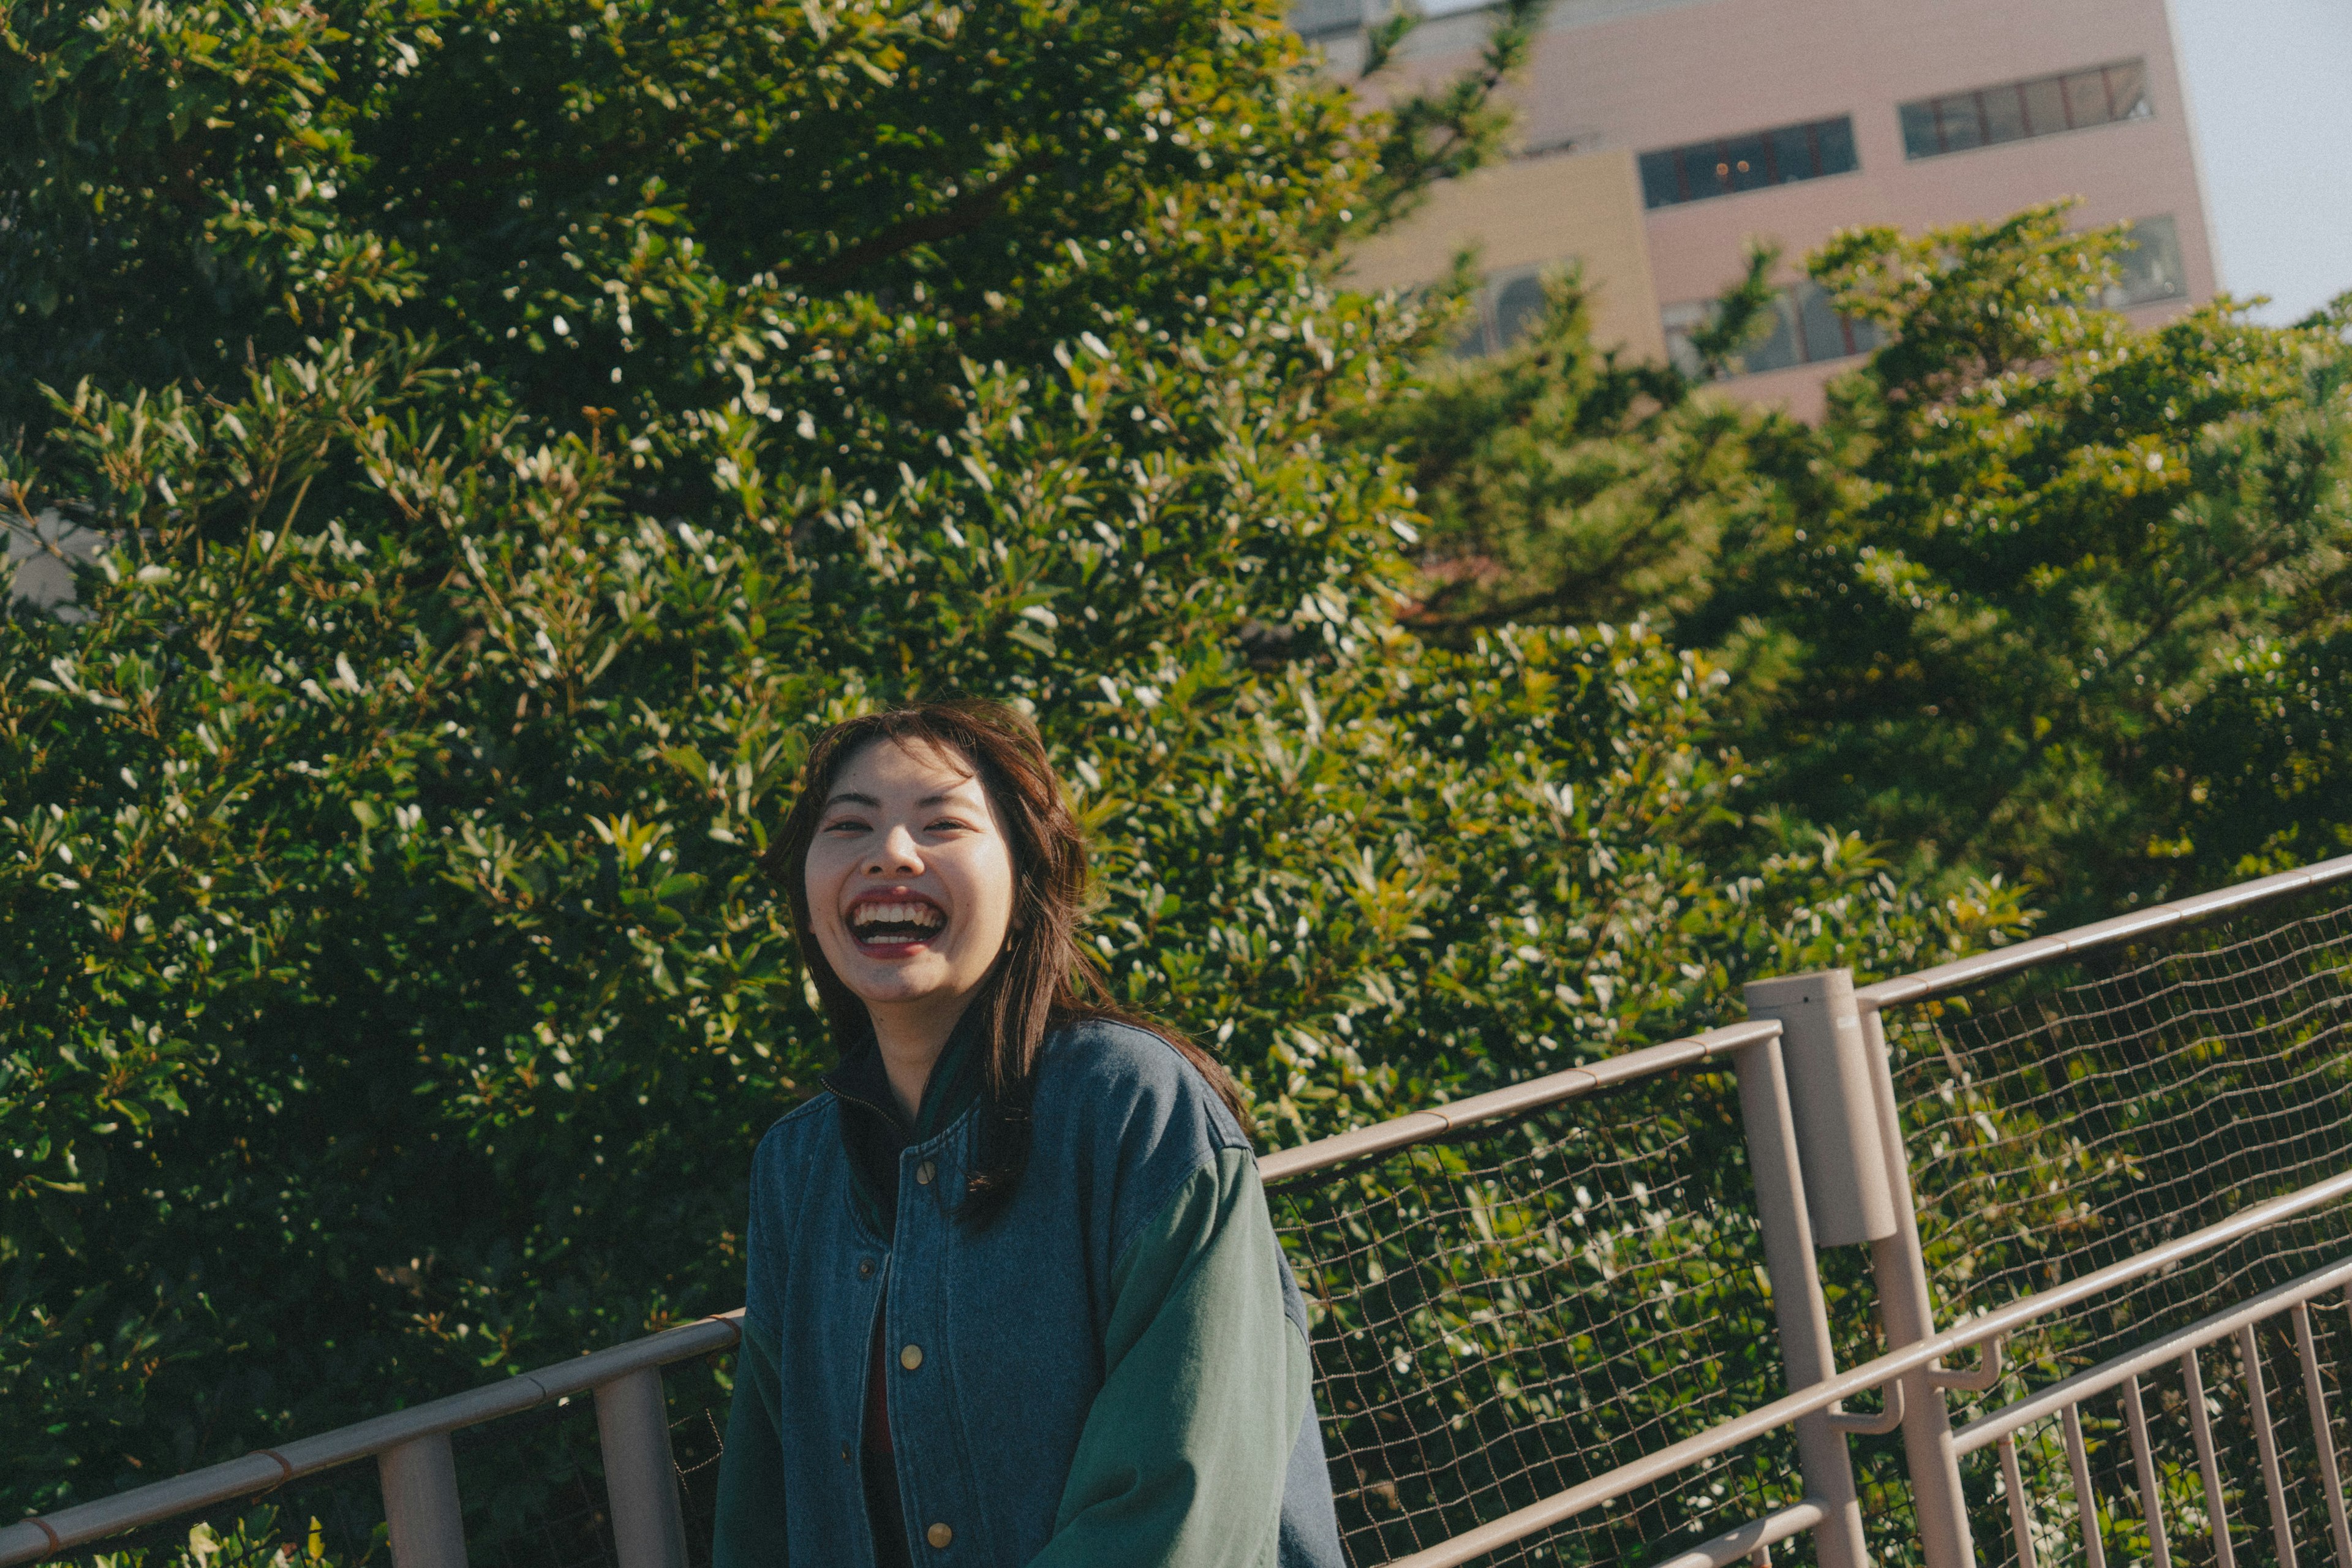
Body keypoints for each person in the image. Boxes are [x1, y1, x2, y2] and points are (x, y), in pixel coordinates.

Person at [712, 701, 1345, 1567]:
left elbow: (1180, 1502)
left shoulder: (1133, 1107)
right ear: (811, 900)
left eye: (943, 824)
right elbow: (768, 1504)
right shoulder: (797, 1166)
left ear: (1024, 888)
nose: (890, 852)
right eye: (849, 825)